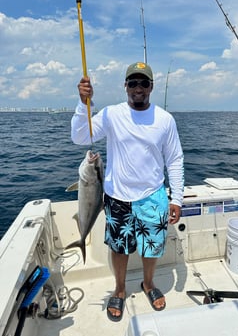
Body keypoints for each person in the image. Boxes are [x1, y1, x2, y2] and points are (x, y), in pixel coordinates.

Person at [71, 62, 184, 322]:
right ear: (125, 86)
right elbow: (79, 137)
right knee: (119, 248)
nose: (138, 88)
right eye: (132, 82)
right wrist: (82, 104)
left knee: (151, 248)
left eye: (143, 83)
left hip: (153, 197)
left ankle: (148, 283)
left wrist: (176, 198)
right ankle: (120, 290)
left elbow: (175, 159)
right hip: (117, 197)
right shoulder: (111, 114)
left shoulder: (165, 119)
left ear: (151, 87)